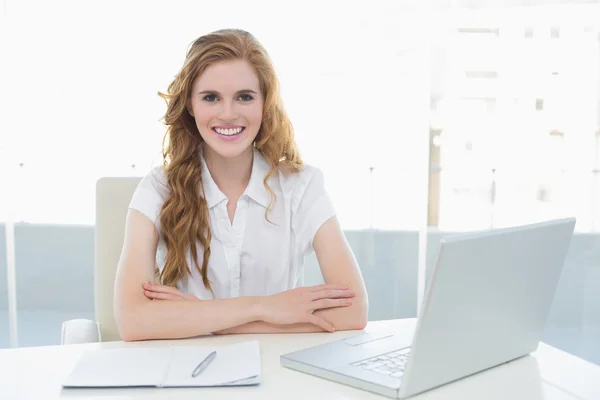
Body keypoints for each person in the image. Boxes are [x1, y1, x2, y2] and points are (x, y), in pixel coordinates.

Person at [114, 29, 368, 341]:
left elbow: (352, 312)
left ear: (265, 103)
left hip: (274, 370)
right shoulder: (158, 188)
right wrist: (265, 308)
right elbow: (133, 321)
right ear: (190, 105)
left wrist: (200, 318)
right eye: (211, 98)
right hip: (184, 375)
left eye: (245, 97)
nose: (228, 114)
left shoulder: (301, 186)